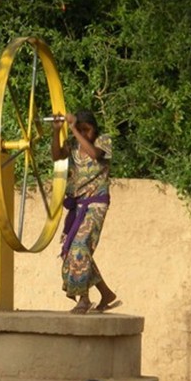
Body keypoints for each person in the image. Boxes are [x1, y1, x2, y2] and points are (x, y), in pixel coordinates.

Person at [52, 111, 121, 314]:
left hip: (96, 204)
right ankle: (106, 293)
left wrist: (73, 128)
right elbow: (57, 156)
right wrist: (56, 133)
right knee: (71, 251)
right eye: (80, 130)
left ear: (94, 128)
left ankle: (83, 299)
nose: (84, 133)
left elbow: (95, 154)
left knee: (80, 246)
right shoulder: (73, 145)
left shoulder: (103, 140)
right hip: (78, 205)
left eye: (86, 129)